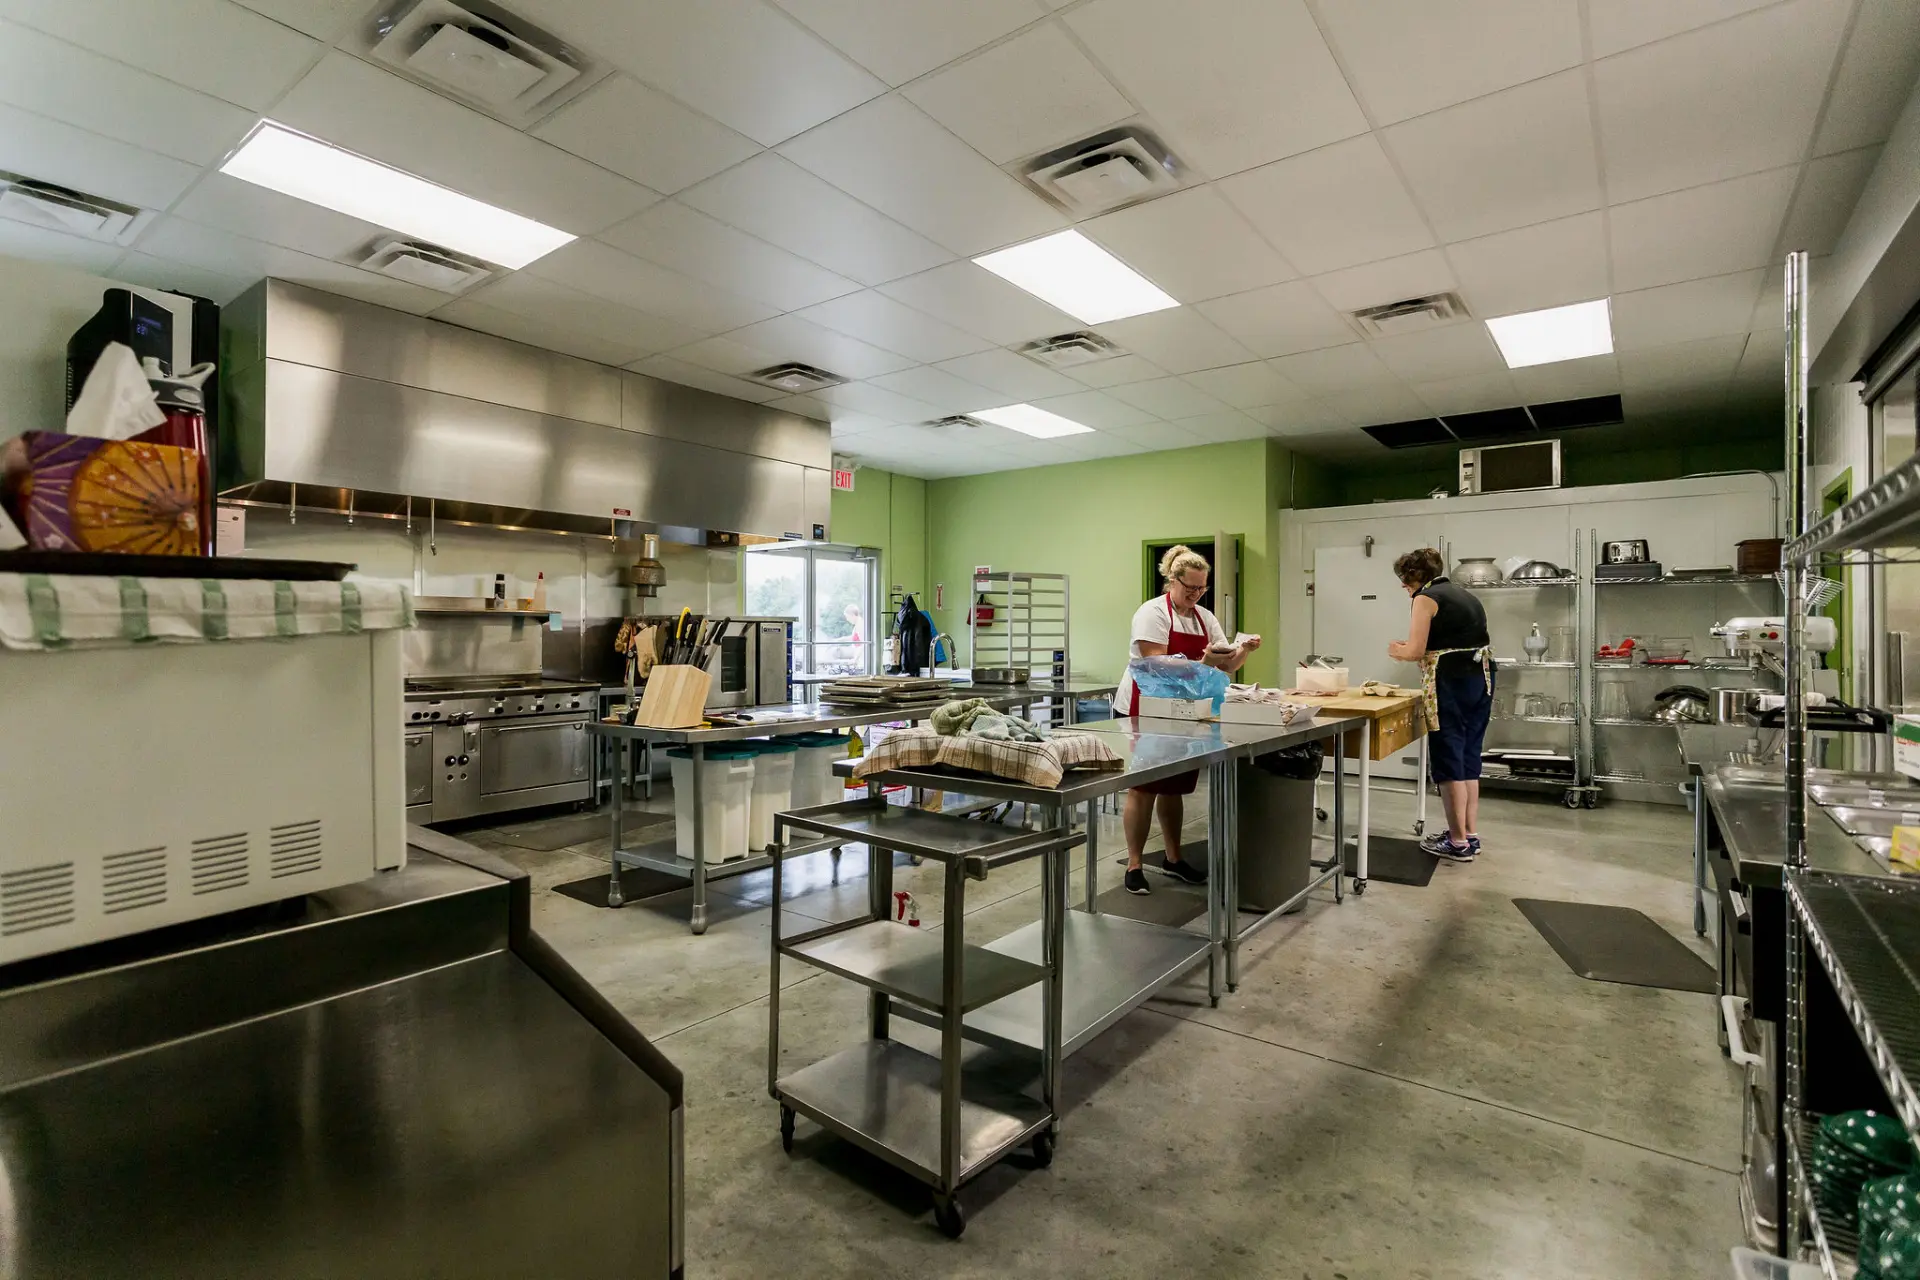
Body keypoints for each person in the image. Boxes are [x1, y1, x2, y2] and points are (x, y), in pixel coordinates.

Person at [1114, 545, 1260, 895]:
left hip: (1183, 711)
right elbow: (1155, 662)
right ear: (1172, 580)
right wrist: (1204, 661)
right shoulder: (1152, 612)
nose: (1196, 594)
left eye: (1201, 588)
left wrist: (1243, 650)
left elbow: (1227, 664)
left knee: (1174, 785)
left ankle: (1173, 858)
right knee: (1144, 787)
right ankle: (1134, 864)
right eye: (1190, 587)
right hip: (1145, 708)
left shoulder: (1204, 618)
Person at [1387, 548, 1494, 863]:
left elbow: (1415, 651)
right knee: (1468, 756)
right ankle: (1469, 834)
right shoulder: (1464, 594)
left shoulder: (1425, 598)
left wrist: (1397, 650)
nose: (1403, 585)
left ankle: (1457, 842)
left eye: (1404, 579)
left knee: (1448, 757)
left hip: (1449, 680)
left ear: (1415, 576)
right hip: (1480, 676)